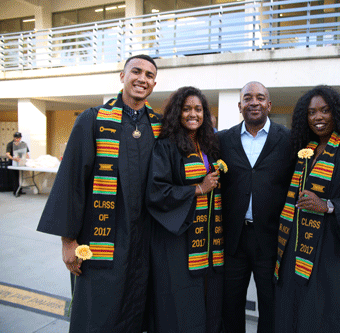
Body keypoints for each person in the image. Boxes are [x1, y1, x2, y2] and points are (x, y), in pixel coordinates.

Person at [37, 54, 160, 333]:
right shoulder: (92, 120)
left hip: (145, 238)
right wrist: (68, 241)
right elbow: (72, 180)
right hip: (101, 237)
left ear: (154, 83)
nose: (142, 79)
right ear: (122, 76)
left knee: (137, 309)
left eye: (149, 75)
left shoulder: (159, 126)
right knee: (97, 310)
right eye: (136, 72)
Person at [273, 85, 340, 333]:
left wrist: (328, 205)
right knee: (291, 308)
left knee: (321, 312)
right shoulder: (305, 152)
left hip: (330, 250)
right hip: (295, 246)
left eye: (325, 110)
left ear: (338, 113)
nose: (317, 117)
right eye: (311, 113)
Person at [218, 81, 294, 333]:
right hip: (233, 240)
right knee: (230, 305)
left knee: (271, 304)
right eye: (248, 98)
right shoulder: (223, 140)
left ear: (269, 105)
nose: (254, 102)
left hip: (271, 239)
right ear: (239, 105)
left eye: (260, 97)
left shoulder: (288, 141)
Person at [146, 86, 223, 333]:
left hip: (208, 238)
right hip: (178, 238)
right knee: (180, 302)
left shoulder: (207, 144)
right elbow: (157, 191)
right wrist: (199, 189)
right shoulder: (166, 146)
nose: (193, 114)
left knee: (206, 299)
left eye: (198, 109)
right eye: (187, 109)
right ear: (176, 113)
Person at [6, 132, 30, 196]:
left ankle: (20, 190)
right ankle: (15, 191)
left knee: (20, 176)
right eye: (16, 138)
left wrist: (27, 159)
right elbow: (7, 154)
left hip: (20, 162)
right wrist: (13, 158)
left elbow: (26, 153)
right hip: (12, 162)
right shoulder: (10, 144)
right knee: (15, 177)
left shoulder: (23, 144)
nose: (18, 139)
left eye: (19, 138)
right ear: (14, 138)